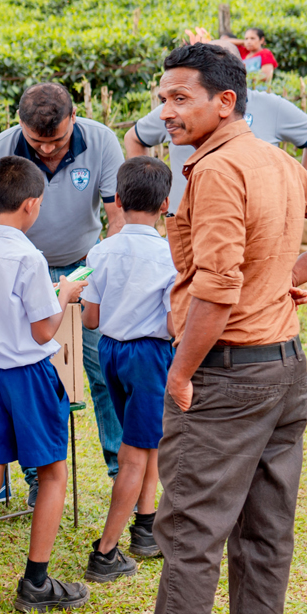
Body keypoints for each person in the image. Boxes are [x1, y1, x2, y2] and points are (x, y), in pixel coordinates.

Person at [85, 43, 307, 614]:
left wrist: (180, 372)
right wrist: (281, 281)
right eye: (162, 98)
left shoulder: (215, 171)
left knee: (189, 535)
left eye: (179, 97)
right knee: (265, 530)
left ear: (224, 102)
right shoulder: (274, 160)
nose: (165, 111)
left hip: (226, 373)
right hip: (284, 370)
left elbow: (216, 287)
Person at [0, 156, 91, 614]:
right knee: (52, 473)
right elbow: (43, 330)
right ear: (32, 204)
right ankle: (36, 581)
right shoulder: (29, 258)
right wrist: (65, 294)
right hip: (29, 375)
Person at [0, 82, 125, 491]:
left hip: (84, 268)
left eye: (55, 141)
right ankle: (36, 477)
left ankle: (120, 468)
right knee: (32, 378)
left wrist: (97, 273)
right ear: (19, 124)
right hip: (23, 275)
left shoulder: (101, 142)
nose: (45, 149)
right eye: (36, 141)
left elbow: (118, 218)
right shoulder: (0, 151)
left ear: (73, 118)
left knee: (103, 369)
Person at [79, 157, 176, 580]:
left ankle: (146, 525)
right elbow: (173, 324)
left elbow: (90, 319)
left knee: (144, 438)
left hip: (110, 352)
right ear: (166, 204)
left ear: (117, 200)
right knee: (135, 453)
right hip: (150, 356)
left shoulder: (100, 250)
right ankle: (106, 553)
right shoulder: (170, 255)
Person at [125, 89, 307, 214]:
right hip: (185, 223)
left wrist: (298, 200)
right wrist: (149, 196)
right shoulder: (176, 111)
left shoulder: (270, 107)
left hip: (253, 226)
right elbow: (134, 137)